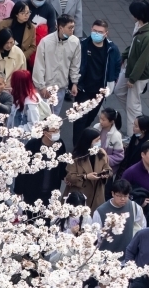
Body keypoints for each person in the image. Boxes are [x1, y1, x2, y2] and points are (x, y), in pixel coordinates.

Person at [73, 20, 122, 144]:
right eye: (95, 31)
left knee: (90, 118)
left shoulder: (112, 49)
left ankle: (84, 140)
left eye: (100, 32)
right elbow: (73, 63)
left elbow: (117, 66)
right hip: (82, 89)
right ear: (91, 29)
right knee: (80, 119)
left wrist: (112, 82)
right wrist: (74, 83)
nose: (96, 33)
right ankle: (77, 146)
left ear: (106, 33)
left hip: (99, 92)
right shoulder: (82, 44)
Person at [31, 14, 80, 114]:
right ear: (61, 28)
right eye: (70, 28)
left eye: (73, 27)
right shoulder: (46, 42)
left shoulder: (75, 42)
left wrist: (74, 83)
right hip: (45, 88)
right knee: (40, 117)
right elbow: (39, 66)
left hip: (60, 88)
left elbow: (75, 64)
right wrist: (41, 86)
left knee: (54, 119)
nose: (72, 30)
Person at [14, 118, 67, 206]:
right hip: (32, 190)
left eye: (58, 130)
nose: (57, 133)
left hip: (51, 189)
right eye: (54, 131)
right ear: (45, 133)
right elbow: (22, 169)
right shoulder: (32, 145)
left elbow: (62, 164)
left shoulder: (59, 144)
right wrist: (18, 191)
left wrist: (65, 176)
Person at [87, 178, 147, 252]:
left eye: (125, 196)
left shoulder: (135, 207)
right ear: (112, 194)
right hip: (106, 256)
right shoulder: (100, 212)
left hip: (128, 255)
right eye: (119, 196)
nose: (122, 199)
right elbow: (95, 236)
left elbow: (142, 227)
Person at [116, 2, 149, 135]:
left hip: (139, 75)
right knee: (119, 91)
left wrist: (133, 78)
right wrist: (123, 56)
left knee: (132, 104)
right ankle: (138, 117)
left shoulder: (147, 36)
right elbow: (133, 46)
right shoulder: (139, 26)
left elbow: (143, 59)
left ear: (138, 15)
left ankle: (134, 134)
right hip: (130, 69)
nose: (131, 16)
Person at [65, 127, 113, 211]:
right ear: (88, 142)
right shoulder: (76, 157)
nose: (99, 142)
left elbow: (107, 168)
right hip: (80, 194)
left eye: (99, 139)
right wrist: (85, 176)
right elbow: (70, 177)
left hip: (97, 194)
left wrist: (106, 173)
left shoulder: (101, 153)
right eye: (96, 140)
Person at [95, 108, 126, 173]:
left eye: (103, 120)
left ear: (112, 121)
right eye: (100, 118)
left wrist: (104, 159)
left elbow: (119, 156)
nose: (100, 121)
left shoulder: (116, 136)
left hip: (106, 169)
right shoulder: (96, 127)